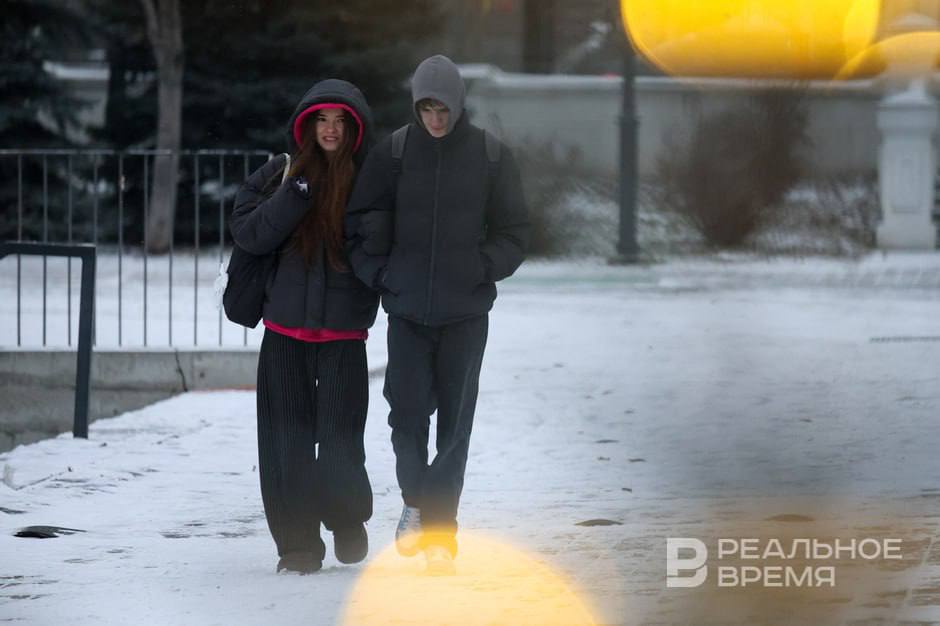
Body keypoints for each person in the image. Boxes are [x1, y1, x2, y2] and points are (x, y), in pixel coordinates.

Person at [345, 55, 530, 574]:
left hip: (466, 315)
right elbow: (357, 223)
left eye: (443, 107)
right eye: (426, 107)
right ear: (416, 106)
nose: (436, 118)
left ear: (458, 104)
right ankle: (417, 499)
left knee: (454, 425)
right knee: (406, 415)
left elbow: (516, 231)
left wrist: (482, 266)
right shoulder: (393, 154)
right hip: (406, 312)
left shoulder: (493, 157)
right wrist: (380, 276)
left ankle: (441, 534)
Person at [230, 79, 378, 574]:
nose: (331, 130)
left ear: (353, 128)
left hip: (343, 334)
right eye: (322, 120)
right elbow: (249, 233)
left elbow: (381, 246)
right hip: (285, 332)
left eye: (340, 121)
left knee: (340, 444)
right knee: (285, 444)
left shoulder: (368, 180)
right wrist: (293, 195)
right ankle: (297, 545)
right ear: (307, 126)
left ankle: (347, 519)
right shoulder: (280, 173)